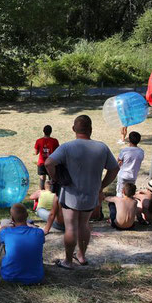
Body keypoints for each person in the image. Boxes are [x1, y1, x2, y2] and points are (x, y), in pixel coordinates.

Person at [45, 115, 119, 269]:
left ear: (74, 129)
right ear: (91, 129)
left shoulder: (67, 147)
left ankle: (68, 261)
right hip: (90, 195)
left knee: (71, 227)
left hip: (70, 195)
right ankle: (82, 256)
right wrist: (101, 185)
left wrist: (56, 178)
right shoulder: (102, 147)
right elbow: (114, 168)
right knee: (84, 225)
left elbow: (48, 162)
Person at [0, 204, 45, 284]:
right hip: (36, 278)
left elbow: (2, 234)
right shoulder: (39, 232)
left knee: (3, 243)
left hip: (9, 276)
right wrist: (31, 225)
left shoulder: (5, 232)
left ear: (12, 219)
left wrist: (8, 226)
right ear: (27, 216)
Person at [116, 131, 144, 197]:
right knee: (129, 194)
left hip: (123, 175)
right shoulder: (141, 152)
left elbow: (119, 160)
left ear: (129, 140)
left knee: (120, 192)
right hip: (133, 176)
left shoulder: (125, 150)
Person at [34, 125, 59, 190]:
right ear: (51, 132)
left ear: (43, 131)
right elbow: (58, 152)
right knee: (52, 178)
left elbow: (36, 153)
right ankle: (52, 194)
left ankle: (41, 194)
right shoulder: (55, 141)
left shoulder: (38, 141)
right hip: (51, 163)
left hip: (41, 162)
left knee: (42, 178)